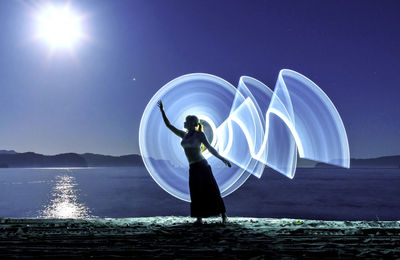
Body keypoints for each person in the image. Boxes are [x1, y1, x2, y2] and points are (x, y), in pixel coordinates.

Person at [157, 100, 231, 225]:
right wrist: (162, 111)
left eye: (188, 121)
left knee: (212, 189)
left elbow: (210, 148)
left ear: (193, 124)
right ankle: (199, 218)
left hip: (202, 166)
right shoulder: (183, 135)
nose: (185, 123)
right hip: (193, 167)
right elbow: (169, 125)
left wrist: (223, 159)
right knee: (195, 191)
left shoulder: (199, 135)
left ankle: (223, 215)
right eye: (186, 121)